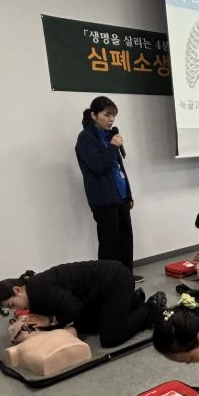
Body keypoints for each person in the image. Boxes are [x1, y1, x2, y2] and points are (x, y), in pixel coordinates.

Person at [0, 260, 166, 348]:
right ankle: (132, 302)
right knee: (84, 326)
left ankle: (151, 308)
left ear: (17, 290)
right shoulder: (33, 296)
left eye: (12, 304)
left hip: (115, 280)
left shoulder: (39, 289)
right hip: (99, 292)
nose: (16, 309)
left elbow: (74, 308)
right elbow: (52, 325)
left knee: (110, 338)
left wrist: (49, 320)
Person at [75, 96, 143, 283]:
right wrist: (113, 146)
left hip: (120, 196)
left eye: (113, 115)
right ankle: (109, 280)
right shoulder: (86, 138)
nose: (111, 119)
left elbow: (119, 168)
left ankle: (126, 275)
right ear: (94, 115)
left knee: (125, 239)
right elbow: (98, 165)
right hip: (103, 200)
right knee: (109, 243)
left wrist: (128, 193)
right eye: (107, 115)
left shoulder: (109, 135)